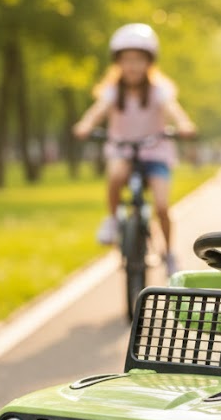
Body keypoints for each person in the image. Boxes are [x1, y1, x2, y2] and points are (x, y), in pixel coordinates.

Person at [72, 23, 196, 276]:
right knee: (116, 177)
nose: (132, 66)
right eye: (126, 60)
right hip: (123, 151)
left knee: (161, 206)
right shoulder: (111, 91)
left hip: (156, 152)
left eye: (138, 60)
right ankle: (113, 219)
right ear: (117, 62)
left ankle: (169, 252)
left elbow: (173, 109)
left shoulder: (159, 90)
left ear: (149, 62)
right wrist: (85, 124)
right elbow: (96, 112)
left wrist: (183, 123)